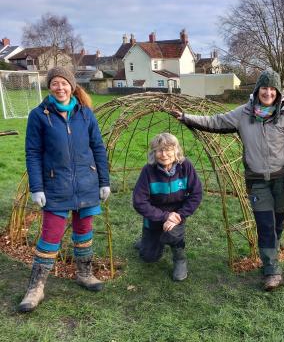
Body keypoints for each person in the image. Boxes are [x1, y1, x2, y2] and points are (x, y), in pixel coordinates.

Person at [174, 69, 284, 290]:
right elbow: (216, 121)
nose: (268, 92)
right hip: (257, 180)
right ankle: (272, 271)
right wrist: (187, 118)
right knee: (265, 225)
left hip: (282, 179)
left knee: (277, 223)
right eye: (264, 87)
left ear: (279, 91)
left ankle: (271, 254)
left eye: (273, 88)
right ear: (257, 89)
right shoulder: (244, 113)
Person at [18, 67, 111, 312]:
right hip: (56, 186)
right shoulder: (39, 116)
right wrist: (37, 187)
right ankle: (36, 288)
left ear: (72, 86)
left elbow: (98, 148)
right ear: (50, 87)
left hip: (86, 184)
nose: (60, 88)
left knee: (83, 232)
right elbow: (33, 152)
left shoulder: (85, 114)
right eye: (55, 84)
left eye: (64, 83)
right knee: (50, 236)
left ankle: (84, 274)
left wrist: (104, 181)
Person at [133, 133, 202, 281]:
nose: (164, 154)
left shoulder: (186, 166)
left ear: (176, 150)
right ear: (154, 153)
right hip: (154, 218)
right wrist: (164, 216)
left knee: (172, 233)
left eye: (168, 149)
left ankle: (180, 259)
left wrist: (179, 216)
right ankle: (147, 242)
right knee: (149, 257)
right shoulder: (148, 171)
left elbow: (196, 194)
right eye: (159, 150)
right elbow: (139, 201)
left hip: (177, 216)